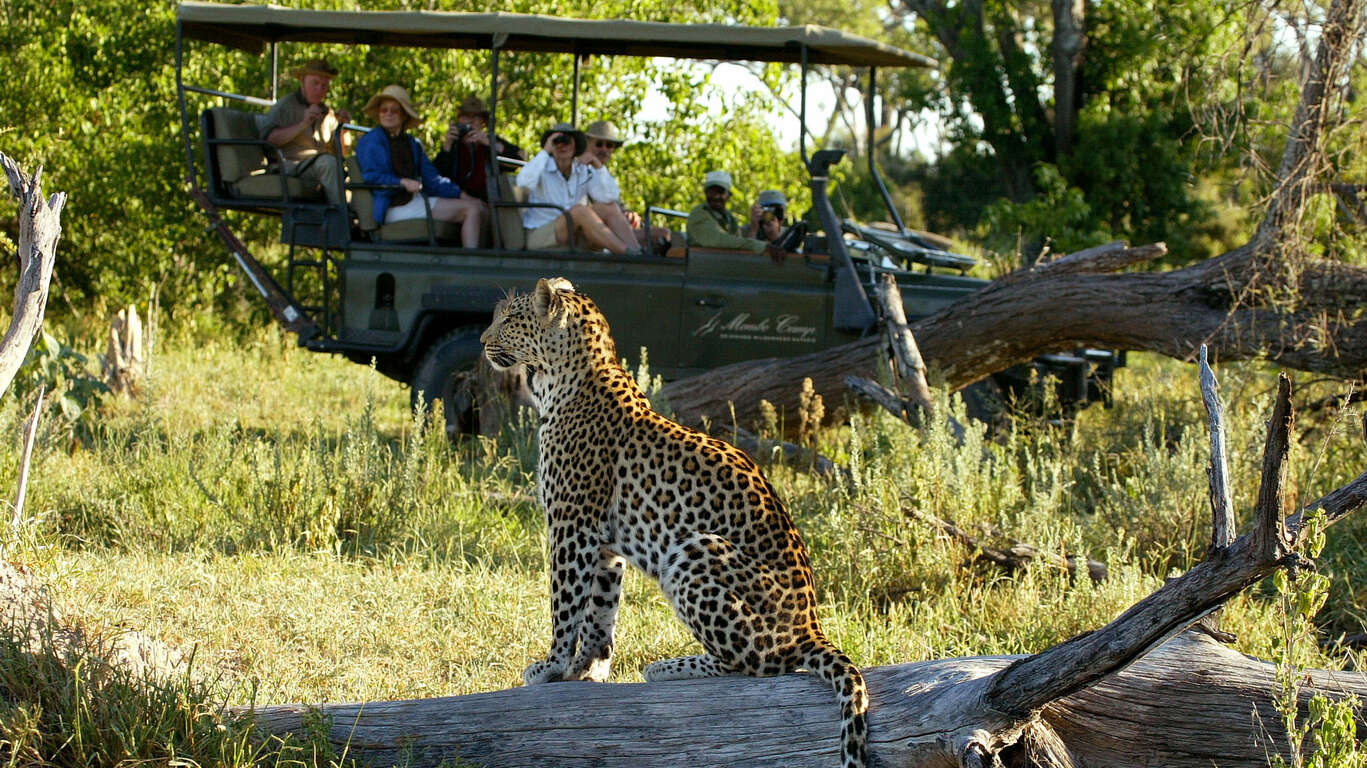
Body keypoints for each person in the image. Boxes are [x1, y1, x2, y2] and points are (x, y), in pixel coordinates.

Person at [355, 84, 487, 248]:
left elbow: (432, 180)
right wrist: (402, 182)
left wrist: (462, 195)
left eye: (394, 110)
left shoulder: (412, 144)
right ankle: (472, 265)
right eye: (384, 110)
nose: (388, 114)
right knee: (471, 210)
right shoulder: (372, 141)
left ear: (404, 116)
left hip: (415, 201)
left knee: (477, 206)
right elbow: (372, 177)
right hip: (393, 206)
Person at [516, 122, 640, 255]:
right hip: (541, 232)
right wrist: (545, 151)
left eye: (567, 142)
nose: (562, 146)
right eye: (557, 142)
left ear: (575, 146)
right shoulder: (541, 166)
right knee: (579, 211)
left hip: (572, 231)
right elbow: (523, 183)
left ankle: (639, 253)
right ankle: (626, 253)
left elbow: (609, 197)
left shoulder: (582, 170)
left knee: (608, 207)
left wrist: (598, 166)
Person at [260, 58, 352, 205]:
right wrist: (303, 124)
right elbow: (268, 141)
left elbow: (343, 153)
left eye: (324, 85)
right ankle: (341, 220)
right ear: (302, 80)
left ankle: (360, 221)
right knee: (327, 164)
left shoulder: (327, 113)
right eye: (315, 83)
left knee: (355, 168)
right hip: (290, 165)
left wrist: (344, 130)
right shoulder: (285, 106)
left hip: (320, 167)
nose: (319, 89)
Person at [580, 120, 669, 253]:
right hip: (588, 232)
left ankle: (639, 255)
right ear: (588, 143)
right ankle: (637, 256)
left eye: (609, 145)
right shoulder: (580, 168)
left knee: (663, 234)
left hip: (610, 230)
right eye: (599, 144)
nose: (604, 149)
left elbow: (613, 203)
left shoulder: (603, 172)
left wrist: (626, 215)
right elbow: (605, 203)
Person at [432, 95, 524, 202]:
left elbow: (517, 161)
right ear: (459, 120)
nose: (470, 121)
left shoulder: (490, 142)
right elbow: (435, 177)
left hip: (488, 203)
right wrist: (447, 147)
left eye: (476, 117)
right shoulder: (453, 145)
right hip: (457, 201)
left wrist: (490, 144)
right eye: (466, 116)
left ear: (483, 122)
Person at [686, 170, 784, 262]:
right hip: (700, 267)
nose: (716, 196)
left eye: (720, 192)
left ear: (729, 196)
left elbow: (740, 245)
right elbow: (718, 240)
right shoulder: (699, 213)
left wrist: (758, 228)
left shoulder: (729, 218)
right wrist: (762, 245)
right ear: (705, 193)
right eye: (712, 192)